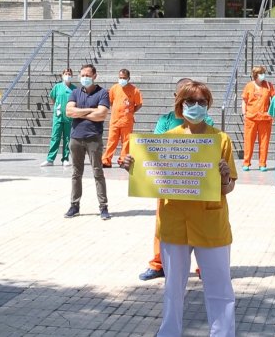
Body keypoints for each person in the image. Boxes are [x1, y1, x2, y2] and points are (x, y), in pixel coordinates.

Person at [123, 80, 237, 336]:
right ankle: (169, 332)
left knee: (220, 289)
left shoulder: (220, 139)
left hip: (211, 225)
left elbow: (228, 188)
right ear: (179, 105)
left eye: (201, 102)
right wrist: (133, 165)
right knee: (173, 289)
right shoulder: (165, 141)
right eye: (190, 102)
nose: (195, 107)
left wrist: (225, 177)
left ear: (208, 106)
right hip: (175, 224)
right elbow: (148, 176)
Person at [139, 78, 215, 282]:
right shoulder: (165, 120)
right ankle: (159, 263)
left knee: (203, 225)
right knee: (161, 224)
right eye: (187, 99)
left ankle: (203, 267)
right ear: (177, 99)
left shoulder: (207, 122)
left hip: (198, 184)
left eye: (197, 100)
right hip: (169, 184)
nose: (193, 105)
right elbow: (154, 150)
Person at [64, 64, 111, 220]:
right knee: (76, 173)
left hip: (93, 138)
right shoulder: (76, 92)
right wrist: (91, 110)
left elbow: (102, 114)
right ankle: (74, 205)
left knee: (98, 172)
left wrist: (80, 113)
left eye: (88, 75)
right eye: (82, 74)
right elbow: (69, 111)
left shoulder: (103, 93)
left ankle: (103, 207)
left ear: (94, 76)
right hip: (76, 137)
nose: (85, 77)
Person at [101, 68, 142, 168]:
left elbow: (139, 104)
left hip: (127, 121)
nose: (122, 79)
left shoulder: (134, 90)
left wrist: (131, 111)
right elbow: (110, 101)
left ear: (128, 78)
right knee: (111, 140)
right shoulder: (114, 88)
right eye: (120, 78)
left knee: (126, 141)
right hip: (115, 120)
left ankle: (123, 160)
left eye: (124, 78)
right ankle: (106, 160)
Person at [241, 66, 275, 172]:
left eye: (263, 73)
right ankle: (246, 162)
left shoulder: (269, 86)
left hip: (265, 118)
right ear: (255, 75)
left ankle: (262, 163)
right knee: (248, 141)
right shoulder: (249, 86)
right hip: (251, 117)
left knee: (264, 142)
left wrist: (273, 113)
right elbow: (244, 100)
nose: (263, 75)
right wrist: (244, 113)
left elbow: (274, 99)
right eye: (261, 73)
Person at [41, 68, 76, 167]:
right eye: (65, 73)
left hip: (69, 117)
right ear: (62, 75)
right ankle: (50, 159)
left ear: (72, 76)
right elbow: (52, 97)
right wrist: (57, 107)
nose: (67, 75)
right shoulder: (57, 87)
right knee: (55, 137)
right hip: (58, 116)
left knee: (67, 138)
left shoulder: (74, 89)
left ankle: (65, 159)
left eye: (69, 74)